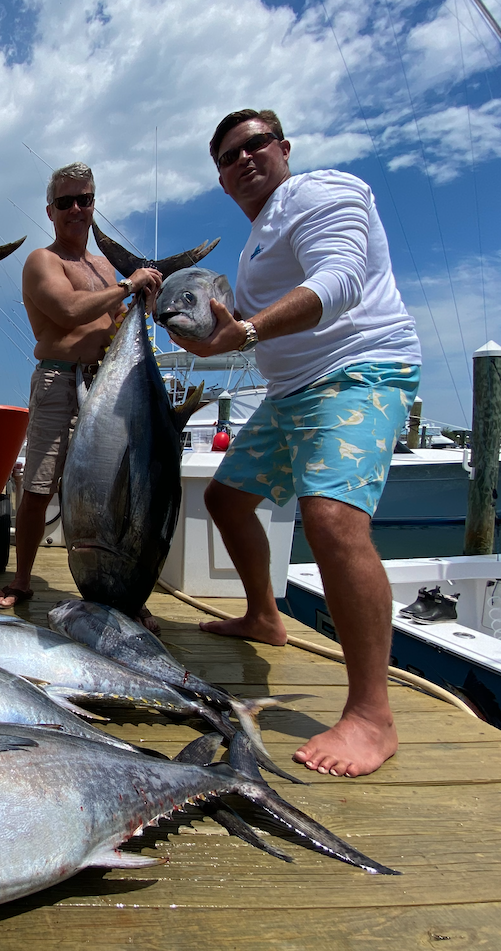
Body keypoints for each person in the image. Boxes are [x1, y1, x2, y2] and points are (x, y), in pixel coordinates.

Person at [173, 108, 421, 777]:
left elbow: (340, 284)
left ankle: (372, 713)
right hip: (291, 396)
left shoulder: (322, 193)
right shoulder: (257, 242)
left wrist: (243, 333)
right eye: (228, 155)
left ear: (283, 148)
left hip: (358, 373)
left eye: (255, 144)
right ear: (222, 179)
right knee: (226, 498)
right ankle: (264, 616)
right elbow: (247, 327)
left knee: (332, 518)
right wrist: (211, 333)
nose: (244, 158)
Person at [0, 163, 163, 626]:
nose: (76, 209)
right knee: (39, 487)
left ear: (93, 205)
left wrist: (142, 303)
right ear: (50, 211)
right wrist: (129, 286)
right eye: (65, 202)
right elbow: (66, 312)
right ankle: (23, 578)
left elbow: (113, 322)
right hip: (58, 381)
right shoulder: (43, 261)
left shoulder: (107, 267)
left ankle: (123, 585)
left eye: (84, 199)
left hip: (107, 385)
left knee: (109, 490)